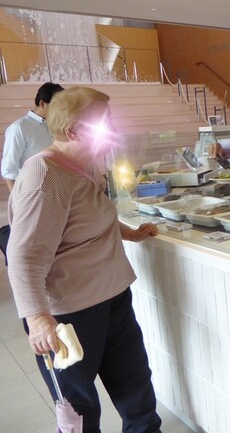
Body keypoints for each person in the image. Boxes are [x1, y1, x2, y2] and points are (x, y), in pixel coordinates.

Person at [7, 86, 162, 432]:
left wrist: (130, 233)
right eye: (104, 124)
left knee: (135, 387)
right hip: (70, 313)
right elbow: (24, 256)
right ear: (73, 131)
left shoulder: (82, 166)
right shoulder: (45, 176)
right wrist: (38, 318)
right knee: (79, 406)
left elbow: (87, 217)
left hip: (112, 298)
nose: (113, 130)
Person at [1, 81, 64, 192]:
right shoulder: (19, 128)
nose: (60, 111)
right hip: (32, 190)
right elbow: (9, 170)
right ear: (42, 104)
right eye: (57, 106)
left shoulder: (54, 125)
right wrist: (17, 199)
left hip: (56, 188)